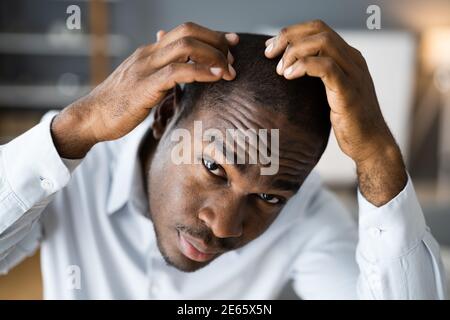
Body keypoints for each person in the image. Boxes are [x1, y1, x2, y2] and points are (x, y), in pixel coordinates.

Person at [0, 21, 447, 299]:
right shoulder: (75, 165)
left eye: (270, 197)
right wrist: (77, 124)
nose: (225, 226)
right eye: (215, 168)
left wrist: (378, 154)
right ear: (166, 115)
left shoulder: (309, 216)